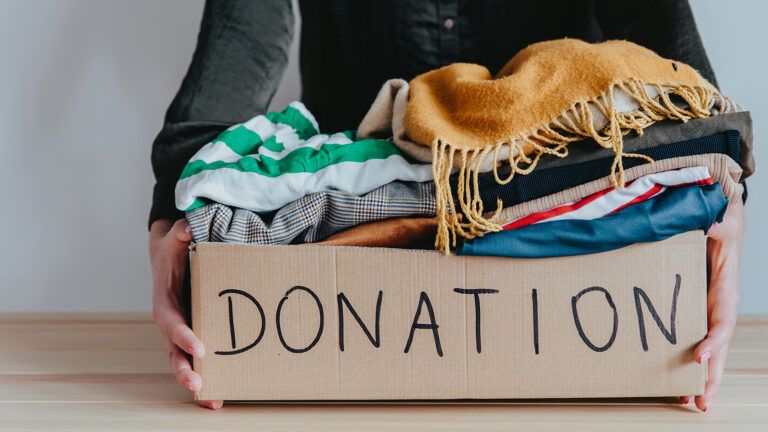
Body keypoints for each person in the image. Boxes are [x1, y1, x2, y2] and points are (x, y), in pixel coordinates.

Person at [149, 0, 744, 411]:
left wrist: (724, 200)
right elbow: (241, 40)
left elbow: (680, 80)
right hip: (336, 259)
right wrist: (174, 221)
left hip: (581, 221)